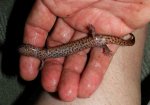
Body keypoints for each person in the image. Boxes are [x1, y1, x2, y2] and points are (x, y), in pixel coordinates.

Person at [19, 0, 150, 103]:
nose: (32, 49)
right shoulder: (42, 54)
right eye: (30, 50)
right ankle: (131, 33)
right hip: (94, 39)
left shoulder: (42, 56)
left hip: (94, 39)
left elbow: (42, 62)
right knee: (103, 42)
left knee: (103, 42)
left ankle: (131, 34)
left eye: (30, 50)